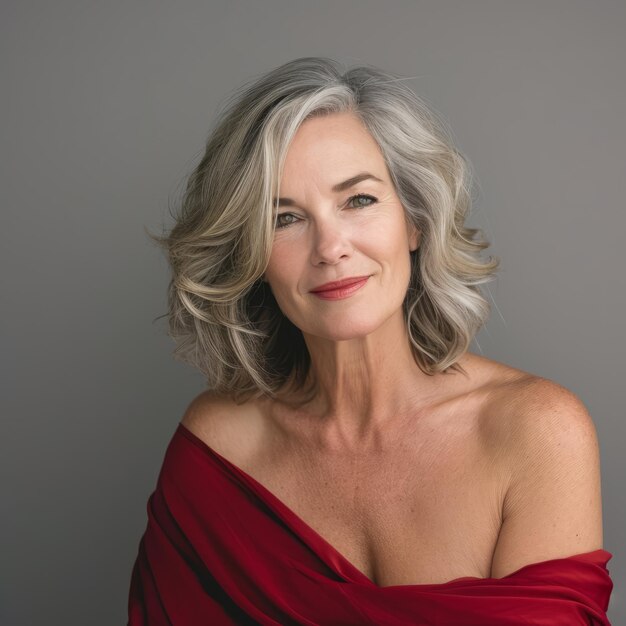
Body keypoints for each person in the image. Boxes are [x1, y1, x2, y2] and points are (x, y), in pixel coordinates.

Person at [127, 57, 613, 625]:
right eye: (284, 218)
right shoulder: (218, 449)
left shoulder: (537, 431)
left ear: (413, 222)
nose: (331, 247)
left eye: (358, 200)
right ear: (251, 257)